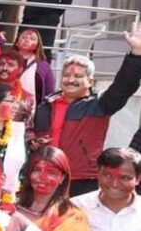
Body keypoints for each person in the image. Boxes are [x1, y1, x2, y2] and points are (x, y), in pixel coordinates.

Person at [32, 22, 141, 196]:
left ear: (90, 81)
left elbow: (123, 87)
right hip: (44, 176)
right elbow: (30, 135)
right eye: (66, 75)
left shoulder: (100, 104)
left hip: (81, 180)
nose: (70, 80)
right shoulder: (45, 105)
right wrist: (32, 141)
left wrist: (136, 54)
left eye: (78, 76)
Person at [0, 83, 26, 193]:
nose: (16, 106)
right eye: (11, 101)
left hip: (9, 193)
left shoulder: (16, 130)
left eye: (17, 102)